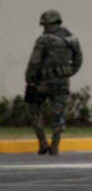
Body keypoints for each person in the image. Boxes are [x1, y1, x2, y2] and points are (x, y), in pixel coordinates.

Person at [25, 9, 82, 156]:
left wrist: (29, 79)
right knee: (58, 114)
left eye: (45, 24)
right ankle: (55, 146)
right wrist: (68, 73)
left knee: (33, 108)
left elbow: (34, 62)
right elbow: (78, 60)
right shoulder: (71, 38)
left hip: (43, 83)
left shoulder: (44, 39)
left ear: (49, 23)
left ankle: (43, 143)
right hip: (62, 82)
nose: (44, 27)